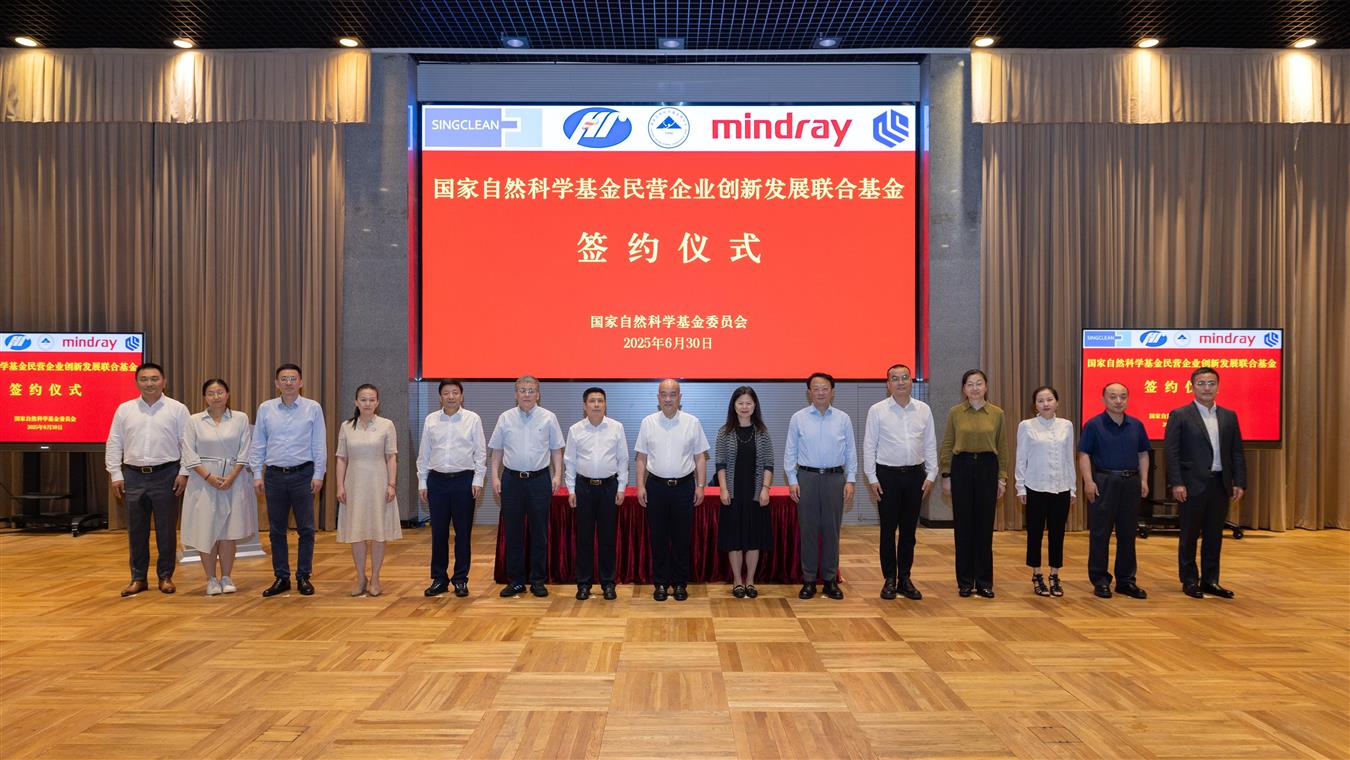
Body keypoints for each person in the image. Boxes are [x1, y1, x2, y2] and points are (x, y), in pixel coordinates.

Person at [105, 362, 190, 597]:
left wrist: (184, 472)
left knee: (166, 530)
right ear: (136, 382)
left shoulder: (177, 409)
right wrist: (115, 473)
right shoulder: (125, 409)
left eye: (154, 379)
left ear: (164, 381)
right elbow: (114, 442)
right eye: (144, 379)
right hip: (132, 476)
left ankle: (165, 576)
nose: (149, 383)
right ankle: (138, 578)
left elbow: (187, 443)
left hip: (167, 475)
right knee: (136, 530)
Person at [1164, 367, 1247, 599]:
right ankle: (1190, 580)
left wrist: (1239, 482)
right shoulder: (1180, 415)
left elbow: (1237, 452)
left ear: (1218, 387)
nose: (1206, 388)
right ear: (1192, 387)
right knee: (1189, 535)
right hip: (1191, 485)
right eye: (1201, 383)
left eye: (1211, 383)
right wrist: (1177, 483)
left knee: (1214, 535)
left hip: (1220, 483)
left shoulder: (1229, 416)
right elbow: (1171, 452)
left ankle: (1211, 580)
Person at [250, 363, 327, 598]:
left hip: (304, 474)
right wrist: (256, 474)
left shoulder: (312, 408)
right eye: (284, 379)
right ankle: (281, 577)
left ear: (301, 382)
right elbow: (258, 443)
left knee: (306, 529)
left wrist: (319, 474)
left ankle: (303, 576)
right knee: (276, 530)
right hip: (274, 476)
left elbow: (319, 443)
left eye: (293, 378)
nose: (289, 382)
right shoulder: (266, 408)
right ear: (277, 384)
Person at [863, 364, 937, 601]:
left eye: (905, 377)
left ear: (911, 381)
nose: (900, 382)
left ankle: (905, 578)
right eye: (895, 378)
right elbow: (869, 445)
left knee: (908, 531)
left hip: (915, 476)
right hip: (887, 476)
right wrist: (871, 477)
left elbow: (930, 443)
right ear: (888, 384)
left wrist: (931, 474)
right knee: (887, 530)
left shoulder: (923, 410)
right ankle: (889, 579)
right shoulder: (877, 410)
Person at [490, 375, 564, 598]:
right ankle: (516, 581)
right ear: (516, 394)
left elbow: (556, 450)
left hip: (539, 480)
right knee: (513, 532)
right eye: (522, 390)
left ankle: (538, 581)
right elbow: (497, 450)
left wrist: (557, 475)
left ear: (538, 394)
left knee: (539, 532)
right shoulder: (505, 418)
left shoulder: (549, 417)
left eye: (531, 390)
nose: (527, 394)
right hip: (511, 480)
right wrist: (494, 477)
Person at [635, 379, 709, 602]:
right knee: (657, 538)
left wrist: (701, 486)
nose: (668, 399)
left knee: (681, 538)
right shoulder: (647, 422)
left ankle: (679, 584)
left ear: (680, 397)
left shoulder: (692, 422)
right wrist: (640, 486)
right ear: (658, 397)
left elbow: (700, 457)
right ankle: (660, 583)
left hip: (684, 487)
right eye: (664, 394)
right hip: (655, 487)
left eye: (673, 394)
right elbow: (641, 457)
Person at [180, 378, 257, 596]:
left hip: (234, 479)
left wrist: (231, 476)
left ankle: (226, 576)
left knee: (228, 532)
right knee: (206, 530)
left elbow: (245, 450)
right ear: (204, 397)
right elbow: (188, 453)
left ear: (228, 394)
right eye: (211, 393)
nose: (216, 397)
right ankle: (211, 579)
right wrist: (208, 477)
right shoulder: (194, 420)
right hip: (202, 481)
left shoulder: (240, 418)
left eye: (220, 392)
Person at [785, 372, 857, 601]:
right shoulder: (798, 418)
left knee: (832, 531)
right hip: (806, 477)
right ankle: (808, 580)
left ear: (832, 391)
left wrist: (851, 479)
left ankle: (829, 580)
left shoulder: (843, 418)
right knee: (808, 531)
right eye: (815, 388)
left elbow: (851, 451)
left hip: (835, 479)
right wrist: (792, 480)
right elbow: (790, 451)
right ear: (809, 392)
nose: (820, 392)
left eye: (825, 388)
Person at [1077, 382, 1150, 600]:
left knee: (1128, 533)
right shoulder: (1093, 425)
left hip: (1131, 482)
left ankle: (1126, 581)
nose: (1118, 401)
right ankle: (1100, 580)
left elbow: (1143, 454)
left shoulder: (1136, 425)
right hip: (1104, 481)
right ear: (1103, 399)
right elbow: (1084, 454)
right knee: (1100, 533)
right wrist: (1088, 481)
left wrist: (1144, 480)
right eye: (1113, 396)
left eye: (1122, 396)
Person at [939, 369, 1008, 598]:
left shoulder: (997, 413)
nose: (975, 388)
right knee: (964, 527)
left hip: (988, 468)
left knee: (984, 527)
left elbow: (1003, 447)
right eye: (970, 384)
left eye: (979, 383)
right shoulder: (955, 412)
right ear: (964, 389)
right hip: (962, 467)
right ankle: (965, 582)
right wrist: (946, 475)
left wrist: (1002, 477)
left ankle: (985, 581)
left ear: (986, 386)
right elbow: (947, 444)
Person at [417, 380, 486, 598]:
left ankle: (460, 579)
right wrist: (422, 481)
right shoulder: (431, 420)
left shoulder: (472, 419)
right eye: (446, 393)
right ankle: (439, 578)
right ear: (440, 397)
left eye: (455, 392)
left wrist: (478, 480)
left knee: (463, 533)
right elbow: (424, 453)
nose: (451, 397)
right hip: (436, 481)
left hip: (464, 481)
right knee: (438, 533)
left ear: (461, 396)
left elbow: (480, 452)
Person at [335, 384, 401, 597]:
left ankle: (375, 578)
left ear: (378, 402)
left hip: (379, 483)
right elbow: (341, 458)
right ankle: (360, 577)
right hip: (354, 484)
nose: (368, 403)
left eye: (372, 399)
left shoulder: (386, 425)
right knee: (357, 532)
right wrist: (340, 485)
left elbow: (391, 457)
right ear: (356, 402)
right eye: (363, 399)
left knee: (378, 532)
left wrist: (391, 484)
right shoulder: (346, 426)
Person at [564, 387, 628, 601]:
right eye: (592, 401)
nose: (597, 404)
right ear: (584, 406)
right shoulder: (575, 430)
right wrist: (571, 489)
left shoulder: (616, 427)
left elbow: (623, 460)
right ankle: (584, 584)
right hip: (583, 488)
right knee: (584, 538)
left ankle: (608, 583)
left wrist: (621, 487)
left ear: (605, 404)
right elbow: (570, 461)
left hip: (609, 487)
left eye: (600, 400)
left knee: (607, 538)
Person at [1014, 386, 1075, 598]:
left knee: (1058, 533)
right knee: (1035, 533)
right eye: (1040, 400)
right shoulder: (1026, 426)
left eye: (1049, 399)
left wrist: (1072, 488)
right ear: (1035, 405)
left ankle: (1055, 575)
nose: (1045, 404)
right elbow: (1021, 458)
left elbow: (1069, 459)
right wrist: (1020, 486)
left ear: (1057, 402)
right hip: (1035, 487)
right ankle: (1037, 574)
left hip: (1061, 487)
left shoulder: (1066, 425)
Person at [714, 386, 774, 599]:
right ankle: (737, 581)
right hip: (732, 493)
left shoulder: (762, 432)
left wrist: (765, 489)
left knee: (753, 539)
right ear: (734, 406)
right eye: (740, 403)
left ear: (755, 405)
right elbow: (720, 463)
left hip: (755, 494)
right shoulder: (724, 432)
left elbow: (769, 464)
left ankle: (750, 581)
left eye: (748, 403)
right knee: (735, 540)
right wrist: (723, 488)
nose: (744, 407)